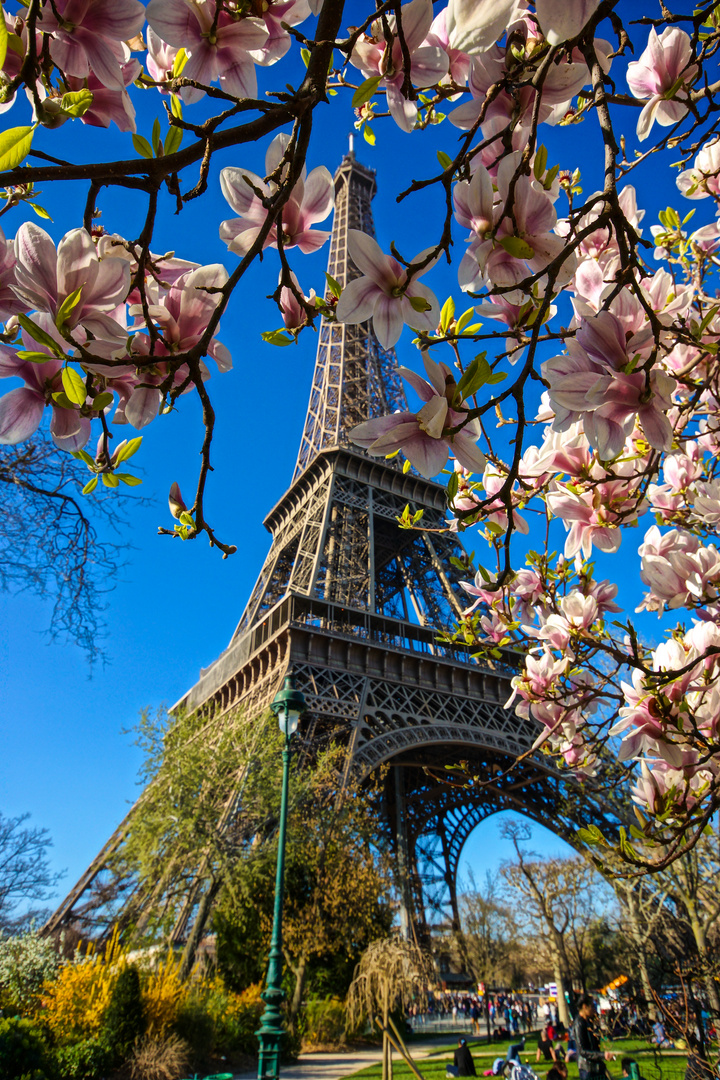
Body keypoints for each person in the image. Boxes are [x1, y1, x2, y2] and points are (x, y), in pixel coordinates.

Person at [572, 996, 615, 1080]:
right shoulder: (579, 1024)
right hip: (587, 1069)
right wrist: (602, 1055)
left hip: (597, 1066)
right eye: (592, 1006)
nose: (594, 1009)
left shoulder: (589, 1022)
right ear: (584, 1007)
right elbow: (582, 1050)